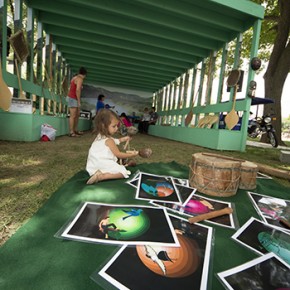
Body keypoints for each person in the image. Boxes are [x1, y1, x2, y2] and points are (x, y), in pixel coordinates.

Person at [86, 109, 139, 184]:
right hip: (103, 164)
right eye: (114, 126)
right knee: (123, 172)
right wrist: (132, 155)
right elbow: (119, 154)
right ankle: (102, 176)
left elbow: (117, 141)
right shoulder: (109, 141)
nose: (116, 128)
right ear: (103, 126)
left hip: (93, 165)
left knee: (118, 166)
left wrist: (125, 138)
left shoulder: (100, 136)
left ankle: (98, 174)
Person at [67, 67, 87, 137]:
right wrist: (78, 101)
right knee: (73, 116)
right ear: (85, 75)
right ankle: (71, 132)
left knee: (77, 115)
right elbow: (77, 90)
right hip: (73, 98)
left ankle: (75, 130)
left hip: (72, 97)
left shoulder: (75, 78)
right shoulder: (80, 79)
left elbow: (74, 87)